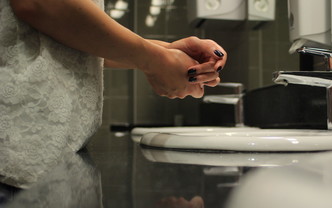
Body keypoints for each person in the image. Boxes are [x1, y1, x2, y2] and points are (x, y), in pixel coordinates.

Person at [0, 0, 227, 188]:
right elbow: (39, 3)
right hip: (14, 155)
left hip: (47, 157)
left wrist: (166, 53)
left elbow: (74, 41)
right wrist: (157, 60)